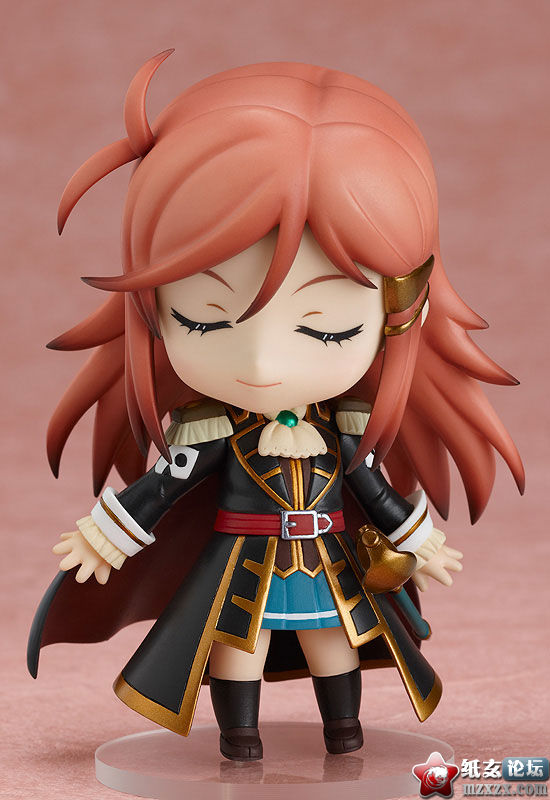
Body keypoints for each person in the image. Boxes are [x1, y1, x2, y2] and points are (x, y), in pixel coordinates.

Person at [28, 51, 524, 762]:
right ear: (152, 306)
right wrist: (106, 534)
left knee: (336, 645)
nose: (263, 366)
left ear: (400, 313)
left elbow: (375, 492)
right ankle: (240, 740)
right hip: (242, 565)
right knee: (238, 649)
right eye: (202, 319)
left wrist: (419, 540)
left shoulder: (342, 433)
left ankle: (344, 734)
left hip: (325, 559)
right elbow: (163, 487)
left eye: (327, 330)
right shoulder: (211, 432)